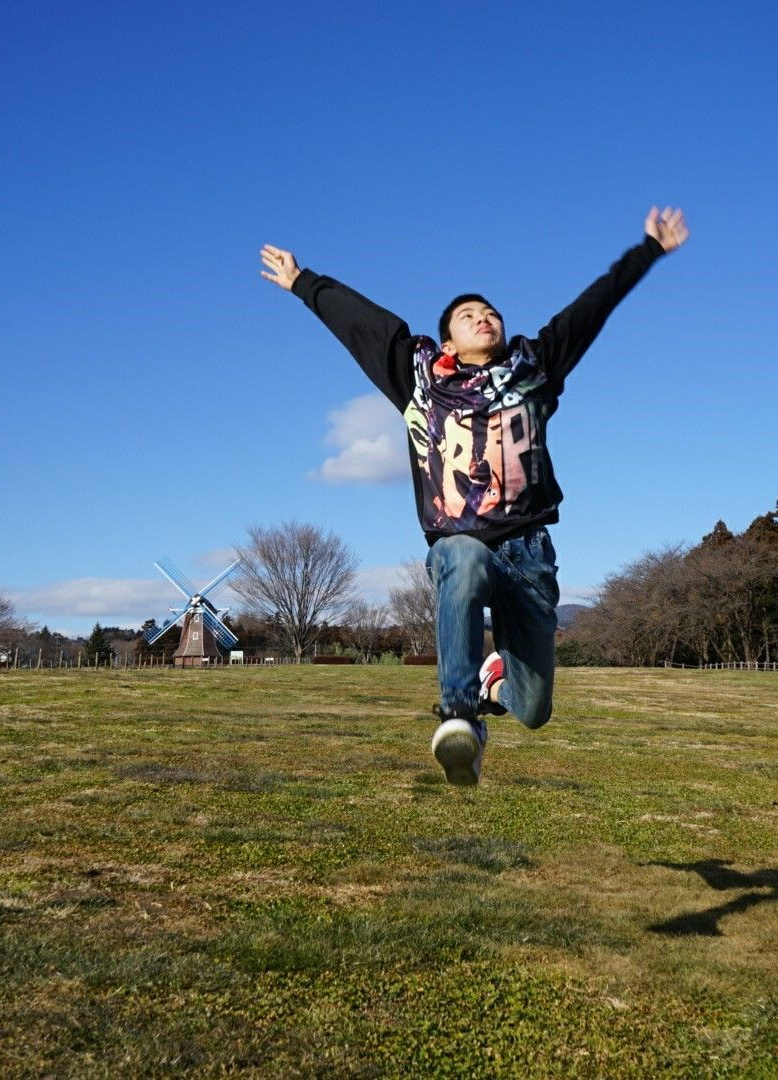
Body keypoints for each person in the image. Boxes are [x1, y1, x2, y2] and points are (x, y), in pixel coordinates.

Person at [259, 207, 689, 785]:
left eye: (490, 313)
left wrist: (647, 251)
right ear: (448, 340)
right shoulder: (417, 376)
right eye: (468, 315)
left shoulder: (534, 367)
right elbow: (362, 325)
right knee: (461, 557)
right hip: (460, 542)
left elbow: (590, 311)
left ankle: (494, 685)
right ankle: (459, 715)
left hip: (529, 554)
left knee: (533, 710)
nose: (483, 318)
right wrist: (302, 282)